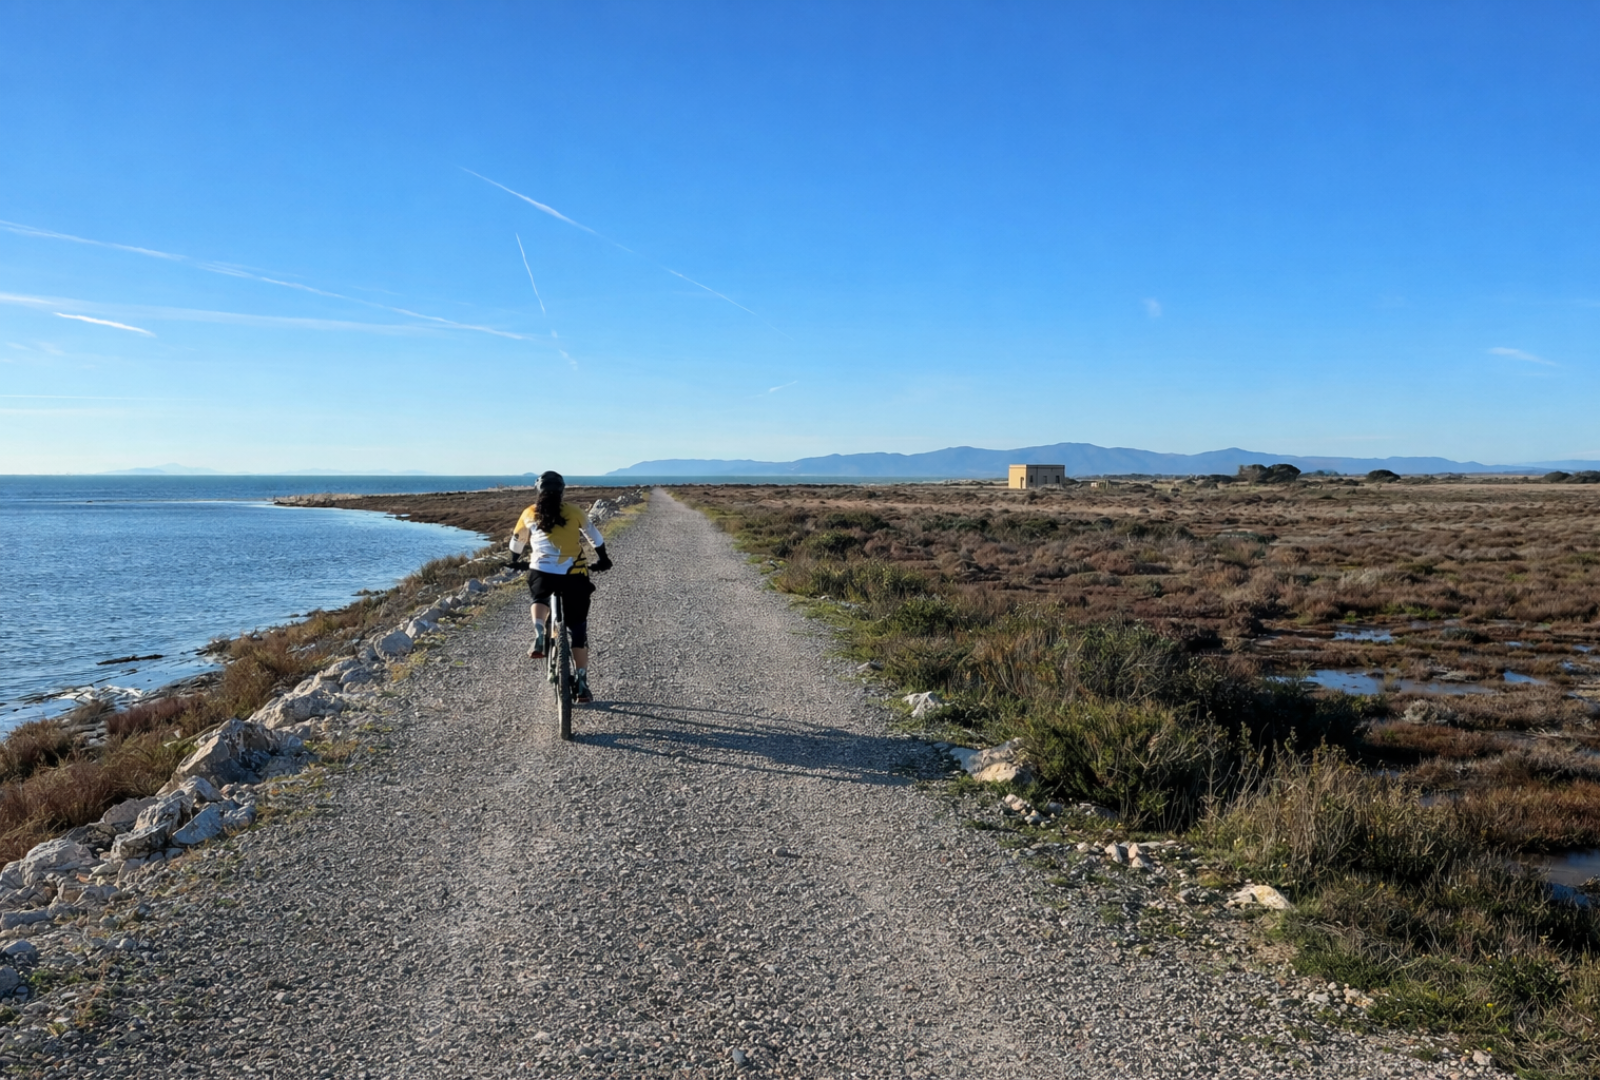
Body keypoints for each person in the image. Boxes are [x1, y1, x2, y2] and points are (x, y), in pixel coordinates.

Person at [508, 471, 612, 703]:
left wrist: (515, 561)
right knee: (578, 628)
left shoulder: (528, 513)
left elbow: (516, 542)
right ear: (562, 491)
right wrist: (603, 560)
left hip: (541, 572)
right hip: (574, 574)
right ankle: (582, 682)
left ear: (539, 491)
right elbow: (595, 538)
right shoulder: (574, 511)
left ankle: (538, 634)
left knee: (539, 598)